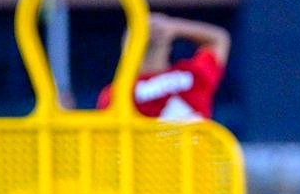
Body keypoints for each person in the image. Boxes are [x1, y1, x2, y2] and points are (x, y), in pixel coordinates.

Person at [97, 13, 231, 121]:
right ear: (169, 47)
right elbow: (219, 38)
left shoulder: (116, 94)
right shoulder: (194, 75)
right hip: (192, 153)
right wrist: (173, 26)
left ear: (126, 48)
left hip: (153, 154)